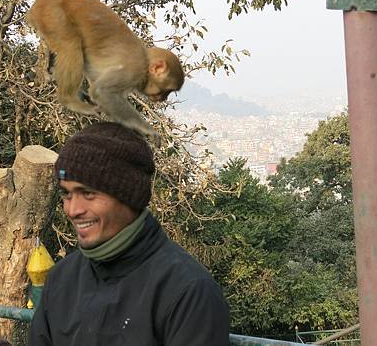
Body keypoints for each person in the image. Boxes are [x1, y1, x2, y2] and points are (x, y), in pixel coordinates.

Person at [28, 122, 230, 346]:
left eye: (88, 193)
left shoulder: (187, 293)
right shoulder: (62, 280)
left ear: (128, 197)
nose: (73, 210)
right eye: (66, 194)